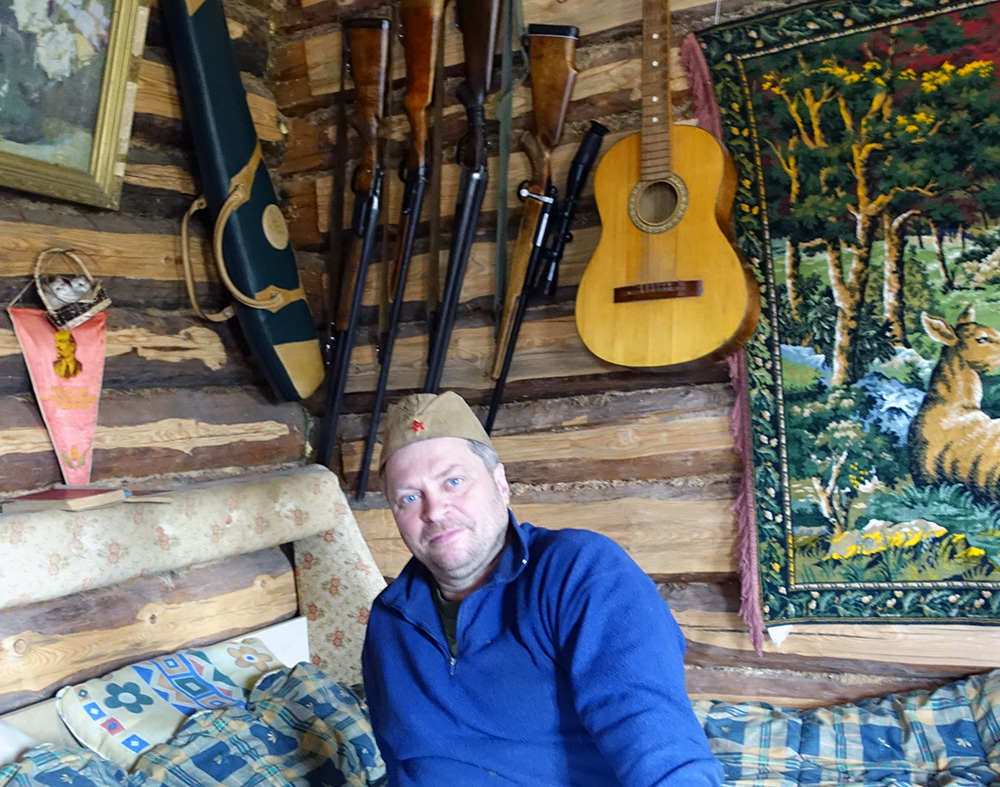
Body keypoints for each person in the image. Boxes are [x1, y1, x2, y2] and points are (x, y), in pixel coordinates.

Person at [361, 391, 723, 786]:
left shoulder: (579, 570)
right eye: (409, 497)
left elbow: (655, 738)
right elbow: (399, 762)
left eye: (453, 481)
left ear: (500, 483)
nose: (434, 511)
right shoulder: (389, 618)